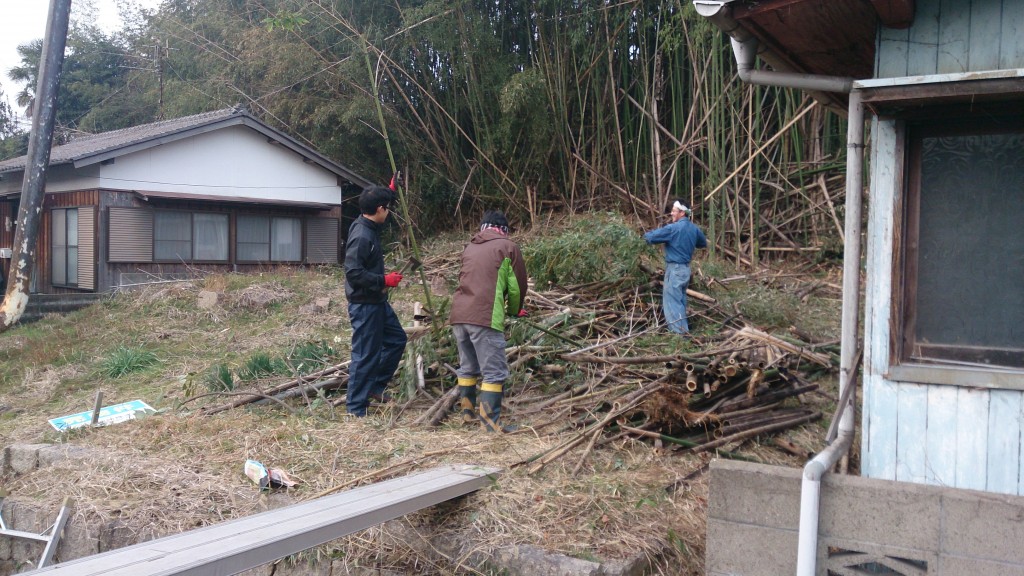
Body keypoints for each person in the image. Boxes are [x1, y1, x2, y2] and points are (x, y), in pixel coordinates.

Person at [449, 211, 529, 432]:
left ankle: (467, 415)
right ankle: (490, 423)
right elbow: (516, 286)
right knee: (494, 371)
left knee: (468, 367)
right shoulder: (507, 247)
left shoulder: (470, 246)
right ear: (503, 229)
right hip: (484, 316)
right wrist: (515, 310)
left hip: (459, 315)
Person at [344, 185, 408, 417]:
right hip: (364, 304)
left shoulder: (369, 222)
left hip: (377, 301)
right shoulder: (362, 236)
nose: (389, 212)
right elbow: (352, 273)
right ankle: (355, 408)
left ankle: (374, 387)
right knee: (365, 354)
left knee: (396, 340)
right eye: (387, 208)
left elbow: (375, 198)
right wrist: (384, 279)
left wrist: (389, 190)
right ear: (379, 209)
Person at [643, 200, 707, 334]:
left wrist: (642, 237)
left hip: (675, 270)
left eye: (674, 210)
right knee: (680, 302)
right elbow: (702, 243)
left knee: (672, 304)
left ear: (682, 212)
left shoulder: (673, 228)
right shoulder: (694, 229)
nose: (671, 213)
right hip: (685, 270)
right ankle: (684, 332)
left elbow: (651, 238)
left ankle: (680, 337)